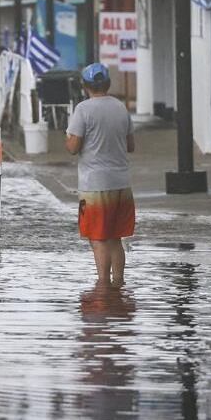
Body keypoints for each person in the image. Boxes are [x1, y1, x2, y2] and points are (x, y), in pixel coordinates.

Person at [66, 63, 135, 287]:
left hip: (95, 185)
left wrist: (69, 138)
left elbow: (73, 147)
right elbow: (131, 145)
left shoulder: (83, 110)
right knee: (116, 238)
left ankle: (103, 287)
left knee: (98, 239)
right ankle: (119, 283)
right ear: (108, 83)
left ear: (85, 86)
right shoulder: (121, 107)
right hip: (121, 183)